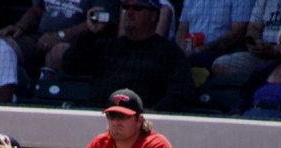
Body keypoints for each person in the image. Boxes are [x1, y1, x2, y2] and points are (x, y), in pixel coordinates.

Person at [62, 0, 195, 112]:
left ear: (153, 15)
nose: (129, 12)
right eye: (126, 7)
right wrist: (90, 33)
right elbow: (70, 66)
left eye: (137, 8)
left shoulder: (169, 52)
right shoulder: (106, 46)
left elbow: (181, 92)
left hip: (139, 126)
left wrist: (154, 113)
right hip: (98, 116)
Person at [0, 0, 120, 78]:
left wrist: (60, 36)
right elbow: (37, 9)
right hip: (40, 37)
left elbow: (98, 20)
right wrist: (20, 26)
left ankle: (45, 96)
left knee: (58, 51)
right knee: (5, 45)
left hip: (77, 43)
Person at [175, 0, 254, 69]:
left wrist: (201, 49)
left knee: (187, 63)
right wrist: (180, 48)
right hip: (190, 50)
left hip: (222, 50)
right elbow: (182, 27)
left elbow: (237, 33)